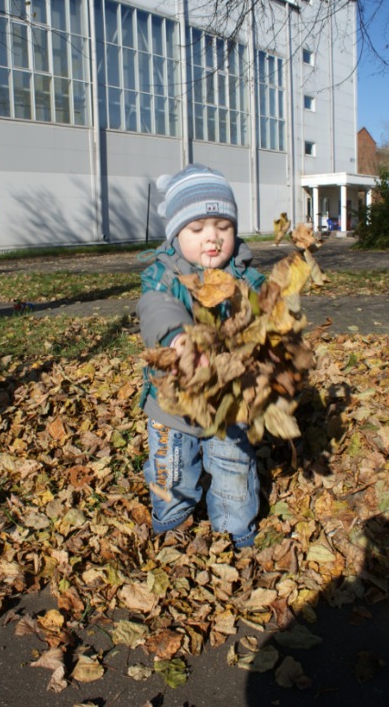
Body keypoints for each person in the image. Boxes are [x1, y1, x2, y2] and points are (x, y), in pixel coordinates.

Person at [137, 164, 266, 549]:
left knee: (233, 467)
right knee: (170, 470)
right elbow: (155, 307)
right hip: (172, 402)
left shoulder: (247, 279)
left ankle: (233, 531)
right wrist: (178, 339)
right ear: (176, 234)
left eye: (223, 227)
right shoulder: (163, 275)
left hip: (228, 401)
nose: (212, 237)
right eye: (197, 229)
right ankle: (172, 521)